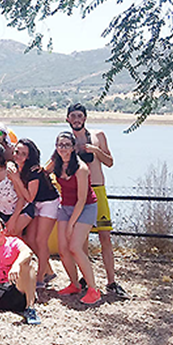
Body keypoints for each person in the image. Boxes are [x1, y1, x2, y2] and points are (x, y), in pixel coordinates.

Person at [66, 103, 129, 299]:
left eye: (80, 116)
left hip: (97, 189)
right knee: (81, 238)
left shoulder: (98, 135)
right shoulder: (66, 140)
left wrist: (95, 151)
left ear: (84, 118)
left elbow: (110, 162)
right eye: (73, 116)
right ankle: (86, 279)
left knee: (104, 237)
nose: (77, 119)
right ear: (68, 119)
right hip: (77, 194)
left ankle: (111, 281)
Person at [48, 131, 101, 305]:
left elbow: (81, 199)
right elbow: (42, 170)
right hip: (66, 206)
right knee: (63, 249)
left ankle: (93, 289)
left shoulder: (81, 168)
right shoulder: (56, 163)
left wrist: (71, 225)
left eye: (66, 145)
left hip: (85, 207)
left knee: (75, 247)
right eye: (60, 145)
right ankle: (74, 283)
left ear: (73, 148)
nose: (63, 149)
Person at [10, 139, 60, 288]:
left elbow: (29, 196)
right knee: (29, 239)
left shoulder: (33, 171)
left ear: (29, 156)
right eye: (17, 152)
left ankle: (40, 278)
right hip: (34, 204)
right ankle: (49, 271)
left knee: (40, 240)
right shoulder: (16, 167)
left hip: (48, 203)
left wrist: (16, 179)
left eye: (23, 154)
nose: (18, 156)